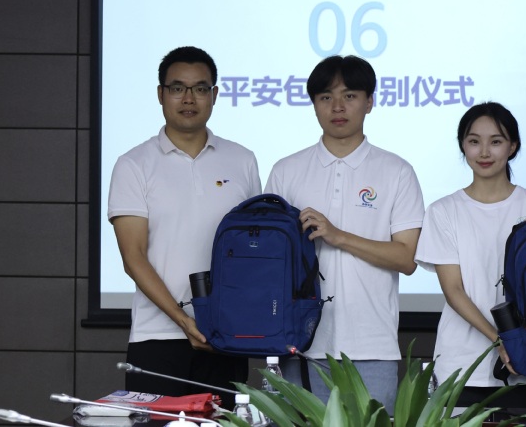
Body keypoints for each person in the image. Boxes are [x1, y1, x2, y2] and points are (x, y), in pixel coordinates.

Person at [264, 55, 424, 411]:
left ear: (369, 102)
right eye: (326, 97)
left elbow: (407, 258)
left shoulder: (396, 171)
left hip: (371, 346)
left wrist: (339, 236)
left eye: (349, 96)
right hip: (299, 346)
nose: (337, 106)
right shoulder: (286, 171)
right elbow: (270, 264)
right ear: (313, 104)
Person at [108, 46, 261, 407]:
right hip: (156, 339)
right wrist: (183, 321)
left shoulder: (242, 160)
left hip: (224, 337)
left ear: (215, 95)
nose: (189, 98)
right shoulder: (134, 164)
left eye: (200, 88)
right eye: (178, 88)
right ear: (161, 94)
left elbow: (253, 250)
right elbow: (133, 257)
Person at [414, 102, 526, 410]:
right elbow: (454, 290)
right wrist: (500, 340)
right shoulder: (443, 211)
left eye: (496, 141)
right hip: (459, 364)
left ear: (512, 146)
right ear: (463, 145)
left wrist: (517, 346)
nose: (484, 152)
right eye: (474, 141)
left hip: (521, 365)